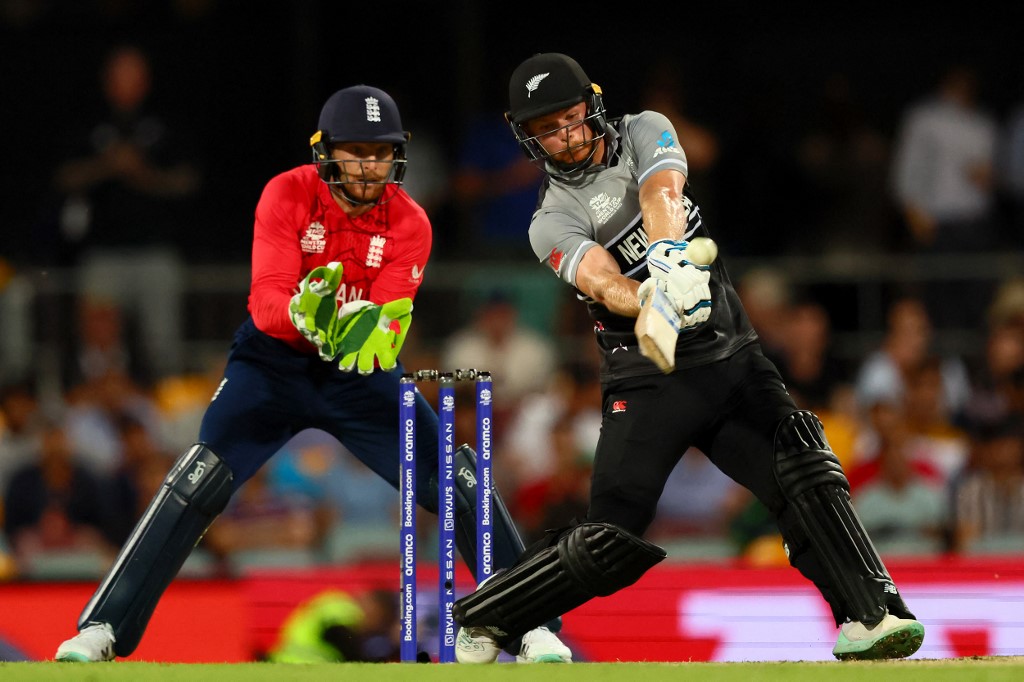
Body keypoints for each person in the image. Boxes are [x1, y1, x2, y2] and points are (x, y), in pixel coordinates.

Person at [54, 85, 569, 663]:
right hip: (272, 366)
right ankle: (102, 629)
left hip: (356, 371)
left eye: (381, 152)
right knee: (198, 478)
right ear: (326, 152)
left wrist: (366, 332)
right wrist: (305, 314)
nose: (370, 166)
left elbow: (388, 323)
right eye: (357, 152)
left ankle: (530, 625)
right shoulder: (288, 193)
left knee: (456, 476)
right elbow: (266, 302)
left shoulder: (411, 223)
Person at [451, 53, 925, 663]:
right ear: (529, 138)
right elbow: (600, 280)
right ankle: (488, 614)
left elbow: (662, 190)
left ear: (592, 104)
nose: (566, 137)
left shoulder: (645, 128)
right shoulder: (550, 219)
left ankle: (871, 615)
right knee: (611, 538)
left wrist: (668, 253)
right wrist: (647, 295)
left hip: (731, 355)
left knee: (802, 466)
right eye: (548, 129)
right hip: (647, 378)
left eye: (571, 118)